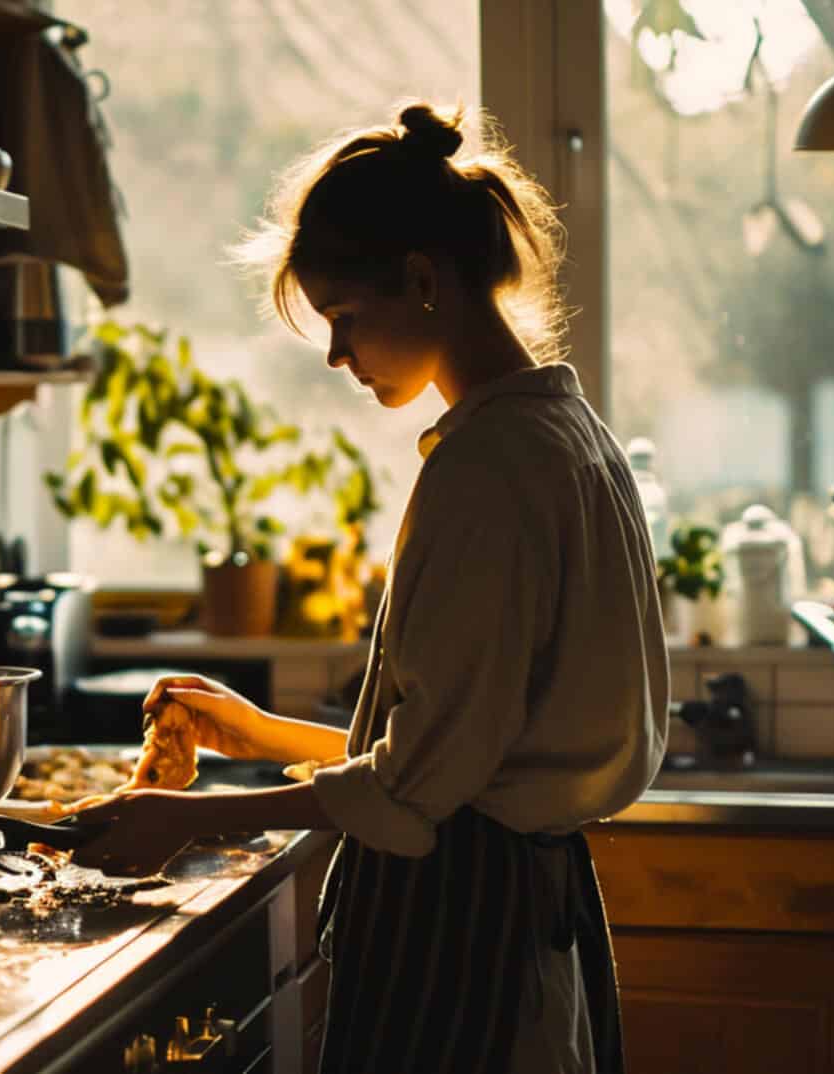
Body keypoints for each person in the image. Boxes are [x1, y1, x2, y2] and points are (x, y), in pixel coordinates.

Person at [68, 102, 670, 1074]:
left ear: (423, 282)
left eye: (345, 318)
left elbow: (419, 789)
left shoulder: (491, 470)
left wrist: (184, 819)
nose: (338, 355)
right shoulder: (563, 433)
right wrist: (260, 737)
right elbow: (458, 760)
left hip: (468, 934)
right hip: (514, 910)